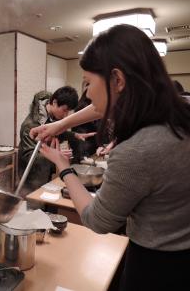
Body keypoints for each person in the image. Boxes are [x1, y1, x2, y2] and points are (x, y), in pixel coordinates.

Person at [31, 24, 190, 290]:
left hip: (157, 268)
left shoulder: (138, 150)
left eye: (89, 83)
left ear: (117, 80)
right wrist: (59, 126)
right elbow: (98, 106)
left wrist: (63, 168)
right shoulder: (180, 113)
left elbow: (97, 219)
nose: (88, 93)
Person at [17, 87, 94, 195]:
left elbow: (56, 131)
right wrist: (56, 156)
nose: (65, 115)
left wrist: (74, 135)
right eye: (64, 110)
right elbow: (30, 157)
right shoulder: (30, 125)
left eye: (68, 112)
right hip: (31, 176)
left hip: (45, 172)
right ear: (54, 102)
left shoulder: (52, 117)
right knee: (32, 205)